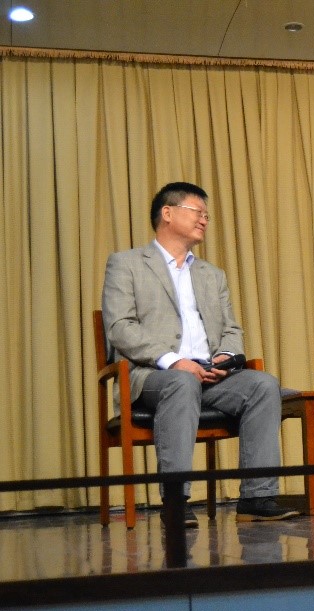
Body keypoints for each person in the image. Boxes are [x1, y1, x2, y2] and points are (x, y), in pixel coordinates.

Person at [101, 182, 299, 526]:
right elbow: (119, 327)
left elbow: (231, 331)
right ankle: (176, 501)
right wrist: (174, 360)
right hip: (154, 376)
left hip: (211, 376)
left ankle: (256, 497)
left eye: (207, 215)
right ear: (167, 213)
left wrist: (226, 357)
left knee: (264, 385)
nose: (204, 220)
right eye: (197, 212)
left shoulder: (212, 275)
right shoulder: (127, 264)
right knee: (181, 383)